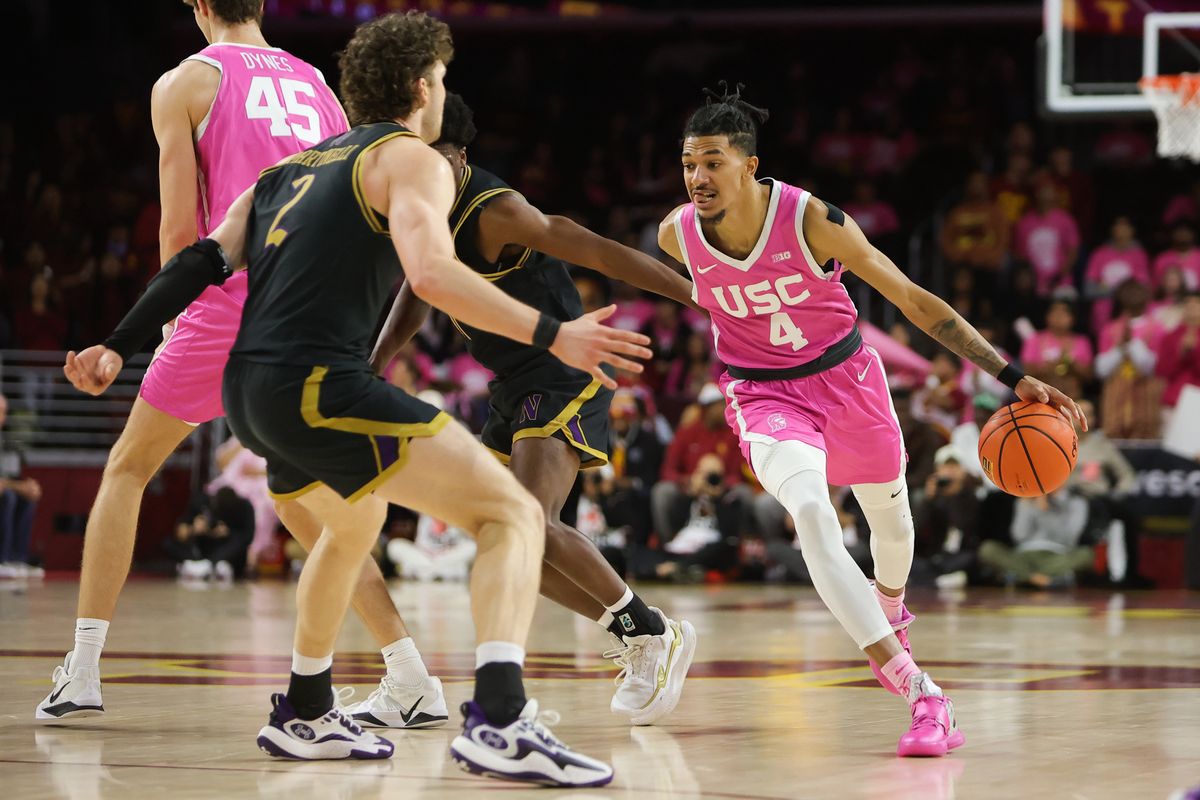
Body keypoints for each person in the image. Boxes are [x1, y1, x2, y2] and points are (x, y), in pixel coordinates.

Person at [60, 12, 645, 784]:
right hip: (321, 384)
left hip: (250, 390)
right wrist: (554, 334)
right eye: (441, 79)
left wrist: (117, 343)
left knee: (352, 522)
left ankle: (307, 708)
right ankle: (501, 721)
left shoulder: (287, 172)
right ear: (421, 88)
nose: (444, 93)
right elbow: (432, 276)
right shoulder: (413, 161)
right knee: (510, 514)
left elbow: (201, 259)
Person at [35, 0, 449, 730]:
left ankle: (84, 668)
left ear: (199, 6)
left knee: (128, 469)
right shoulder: (317, 82)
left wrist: (167, 324)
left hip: (224, 300)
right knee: (305, 503)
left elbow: (179, 223)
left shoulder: (186, 81)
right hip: (306, 309)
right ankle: (409, 673)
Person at [657, 83, 1084, 757]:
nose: (697, 177)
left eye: (712, 162)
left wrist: (1010, 374)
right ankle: (921, 691)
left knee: (892, 526)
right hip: (762, 394)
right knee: (811, 513)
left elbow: (911, 298)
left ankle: (888, 608)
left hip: (848, 379)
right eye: (689, 163)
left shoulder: (812, 220)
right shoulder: (675, 235)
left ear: (749, 164)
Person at [369, 93, 697, 726]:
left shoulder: (496, 212)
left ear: (459, 156)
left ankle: (650, 634)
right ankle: (641, 628)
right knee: (502, 539)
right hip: (513, 383)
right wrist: (374, 360)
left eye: (434, 158)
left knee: (529, 523)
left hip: (563, 369)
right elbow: (416, 289)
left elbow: (596, 249)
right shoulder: (420, 207)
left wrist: (698, 297)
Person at [978, 489, 1093, 588]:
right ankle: (1041, 578)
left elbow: (1069, 538)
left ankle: (1020, 576)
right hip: (1024, 555)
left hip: (1056, 556)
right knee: (988, 548)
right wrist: (1027, 507)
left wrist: (1046, 511)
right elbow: (1019, 535)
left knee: (1087, 554)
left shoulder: (1076, 502)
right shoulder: (1025, 502)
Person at [0, 393, 44, 579]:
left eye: (4, 412)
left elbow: (9, 477)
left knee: (26, 499)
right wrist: (19, 487)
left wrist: (27, 486)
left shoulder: (6, 442)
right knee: (8, 498)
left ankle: (17, 559)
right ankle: (2, 559)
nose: (2, 417)